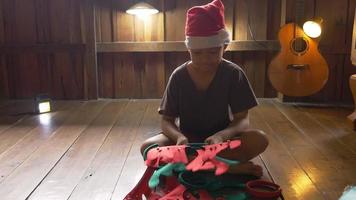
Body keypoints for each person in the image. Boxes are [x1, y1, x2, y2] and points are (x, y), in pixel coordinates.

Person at [141, 0, 268, 177]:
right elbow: (166, 121)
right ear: (189, 49)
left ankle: (195, 166)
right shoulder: (178, 76)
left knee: (259, 139)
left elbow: (242, 120)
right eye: (197, 53)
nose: (204, 59)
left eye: (213, 53)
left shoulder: (233, 74)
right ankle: (223, 167)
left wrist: (222, 136)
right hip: (186, 142)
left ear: (224, 47)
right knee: (148, 148)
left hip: (220, 141)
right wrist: (179, 138)